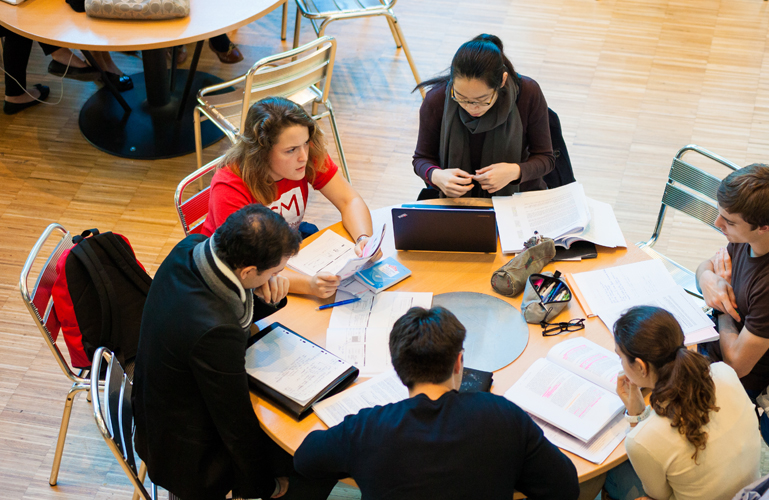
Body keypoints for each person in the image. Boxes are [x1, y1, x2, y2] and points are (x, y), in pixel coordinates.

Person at [133, 205, 335, 500]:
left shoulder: (189, 249)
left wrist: (267, 292)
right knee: (315, 461)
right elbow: (235, 423)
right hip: (191, 454)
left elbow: (231, 305)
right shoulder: (216, 331)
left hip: (154, 409)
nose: (280, 277)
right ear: (249, 271)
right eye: (276, 272)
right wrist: (263, 486)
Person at [293, 306, 580, 500]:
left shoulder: (365, 428)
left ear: (396, 366)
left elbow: (305, 460)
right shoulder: (502, 415)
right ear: (459, 363)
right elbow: (565, 487)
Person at [201, 96, 376, 299]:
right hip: (241, 271)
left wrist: (364, 239)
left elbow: (349, 200)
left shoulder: (304, 157)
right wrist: (309, 285)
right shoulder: (230, 187)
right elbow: (248, 270)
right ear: (261, 152)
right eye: (290, 150)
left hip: (281, 256)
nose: (303, 156)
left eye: (306, 143)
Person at [602, 306, 761, 500]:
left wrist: (636, 417)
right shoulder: (724, 372)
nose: (621, 364)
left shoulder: (642, 440)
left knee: (611, 475)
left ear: (641, 367)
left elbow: (657, 496)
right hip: (753, 493)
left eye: (621, 358)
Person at [696, 164, 769, 394]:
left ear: (763, 227)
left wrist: (722, 306)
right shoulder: (765, 234)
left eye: (729, 222)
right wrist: (707, 279)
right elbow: (708, 265)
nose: (717, 224)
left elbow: (737, 367)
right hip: (719, 341)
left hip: (741, 384)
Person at [412, 34, 554, 198]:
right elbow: (421, 159)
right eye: (461, 97)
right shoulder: (437, 99)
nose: (471, 107)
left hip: (518, 199)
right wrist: (436, 176)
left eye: (482, 99)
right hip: (456, 203)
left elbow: (546, 158)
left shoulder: (528, 93)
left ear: (502, 81)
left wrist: (514, 171)